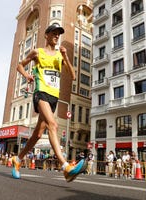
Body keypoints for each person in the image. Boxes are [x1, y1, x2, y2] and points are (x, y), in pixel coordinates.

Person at [11, 24, 87, 182]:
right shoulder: (37, 52)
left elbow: (72, 76)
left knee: (37, 135)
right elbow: (19, 66)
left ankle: (17, 160)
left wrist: (65, 57)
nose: (56, 36)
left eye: (58, 34)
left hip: (54, 97)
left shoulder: (60, 55)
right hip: (41, 93)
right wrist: (27, 75)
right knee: (53, 125)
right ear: (46, 35)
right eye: (53, 33)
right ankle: (65, 166)